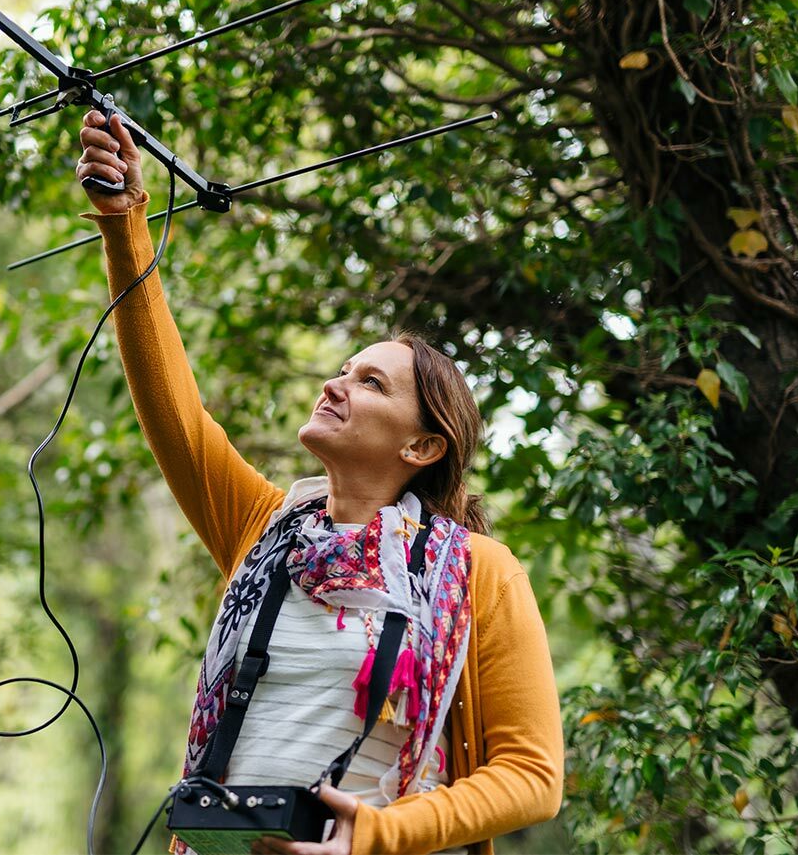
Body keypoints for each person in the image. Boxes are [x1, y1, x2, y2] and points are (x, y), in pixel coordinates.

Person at [75, 111, 564, 855]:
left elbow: (533, 775)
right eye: (341, 370)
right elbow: (174, 413)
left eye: (370, 382)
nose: (334, 385)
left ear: (423, 443)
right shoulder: (263, 529)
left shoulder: (478, 572)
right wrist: (124, 224)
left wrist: (378, 834)